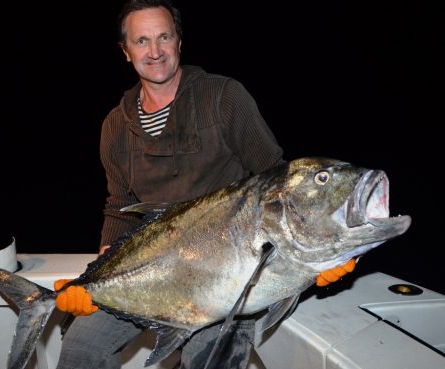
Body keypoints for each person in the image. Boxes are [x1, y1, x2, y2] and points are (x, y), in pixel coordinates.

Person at [55, 1, 354, 368]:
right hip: (153, 273)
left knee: (210, 359)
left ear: (179, 41)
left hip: (226, 274)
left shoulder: (224, 98)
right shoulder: (114, 128)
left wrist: (318, 253)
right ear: (126, 52)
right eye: (142, 41)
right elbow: (120, 206)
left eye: (164, 37)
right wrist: (97, 276)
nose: (155, 51)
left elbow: (276, 180)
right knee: (81, 349)